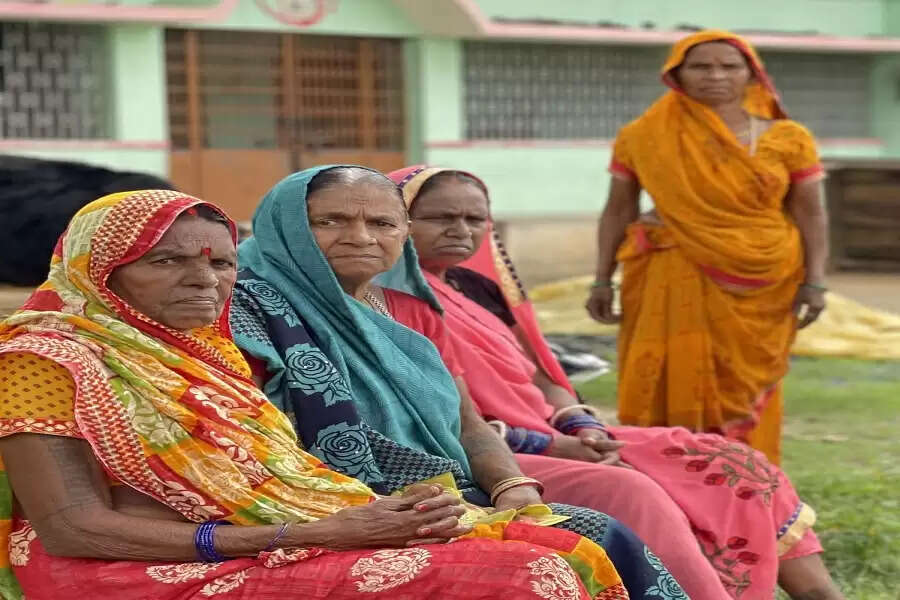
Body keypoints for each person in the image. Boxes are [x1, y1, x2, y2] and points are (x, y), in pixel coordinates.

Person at [0, 190, 631, 599]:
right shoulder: (45, 357)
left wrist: (362, 519)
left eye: (220, 264)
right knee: (528, 576)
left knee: (566, 545)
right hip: (138, 567)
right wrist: (313, 534)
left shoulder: (199, 351)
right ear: (96, 269)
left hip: (277, 534)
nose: (203, 282)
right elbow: (72, 529)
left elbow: (267, 472)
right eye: (166, 262)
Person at [230, 165, 689, 599]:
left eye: (383, 224)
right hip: (336, 507)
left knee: (602, 533)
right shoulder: (245, 311)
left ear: (403, 234)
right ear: (283, 225)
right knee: (558, 553)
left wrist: (512, 486)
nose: (361, 237)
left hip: (452, 495)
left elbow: (468, 423)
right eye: (331, 221)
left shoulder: (404, 309)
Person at [390, 164, 845, 600]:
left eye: (475, 218)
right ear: (399, 221)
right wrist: (548, 445)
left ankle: (819, 594)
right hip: (490, 450)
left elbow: (545, 377)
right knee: (640, 486)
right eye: (441, 218)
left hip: (558, 434)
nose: (461, 230)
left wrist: (581, 425)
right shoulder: (391, 300)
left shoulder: (475, 286)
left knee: (730, 464)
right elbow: (444, 414)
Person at [585, 30, 829, 465]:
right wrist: (602, 278)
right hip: (672, 268)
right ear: (675, 75)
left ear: (751, 75)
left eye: (728, 66)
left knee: (744, 388)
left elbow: (811, 213)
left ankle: (749, 490)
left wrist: (816, 281)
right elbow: (617, 209)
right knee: (665, 381)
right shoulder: (642, 136)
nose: (715, 75)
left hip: (766, 278)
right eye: (700, 66)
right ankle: (666, 483)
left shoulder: (788, 137)